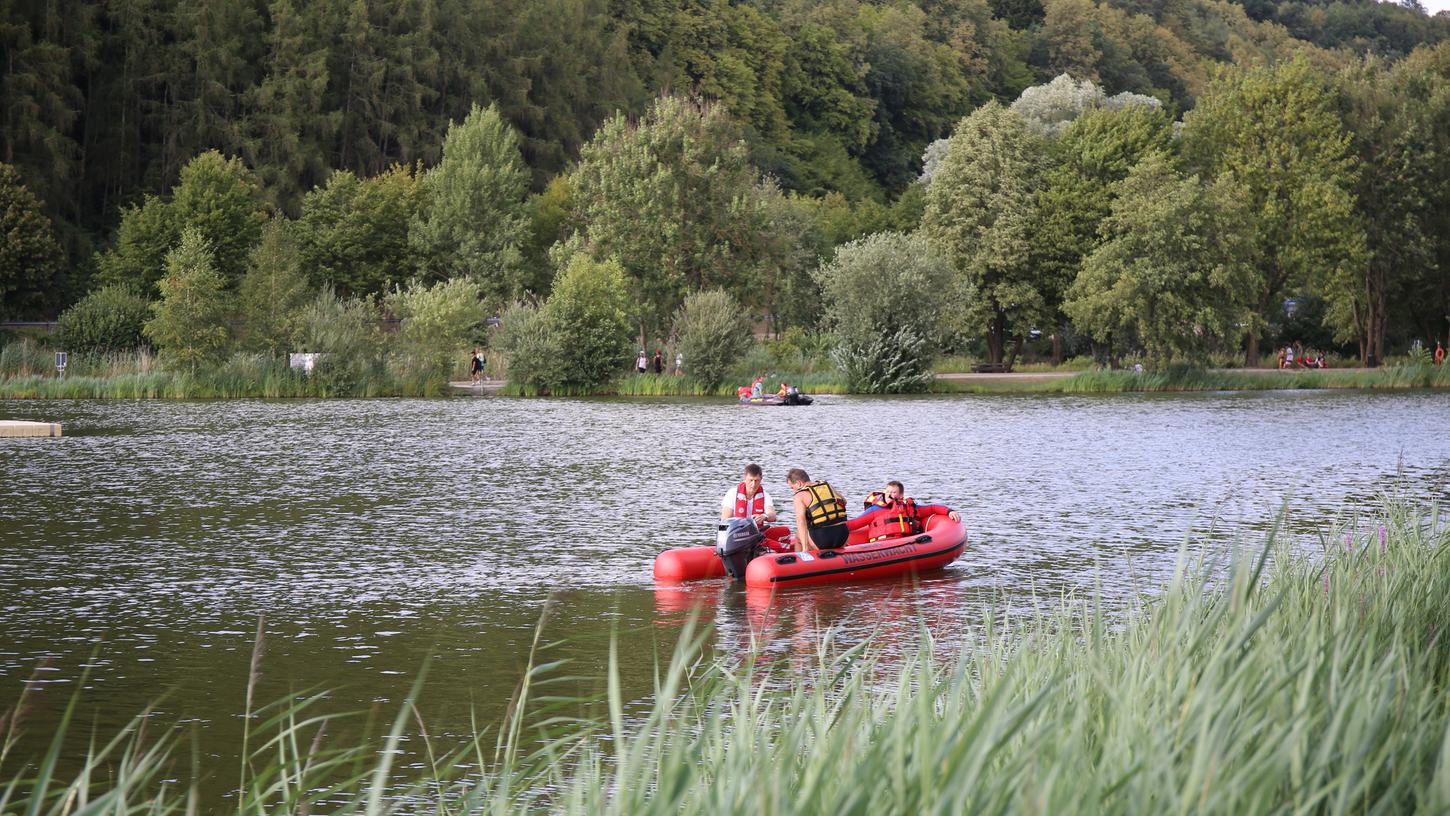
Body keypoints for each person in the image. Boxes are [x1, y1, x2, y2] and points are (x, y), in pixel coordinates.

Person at [849, 480, 962, 543]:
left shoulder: (911, 508)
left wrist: (949, 512)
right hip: (880, 547)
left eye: (893, 492)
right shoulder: (875, 509)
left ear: (901, 495)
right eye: (887, 491)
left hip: (905, 544)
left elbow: (932, 508)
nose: (889, 494)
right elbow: (854, 524)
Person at [786, 468, 849, 552]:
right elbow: (844, 502)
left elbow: (801, 521)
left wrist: (805, 548)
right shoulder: (827, 485)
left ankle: (801, 560)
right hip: (842, 536)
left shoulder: (799, 495)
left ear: (799, 483)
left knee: (798, 536)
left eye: (792, 487)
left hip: (822, 539)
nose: (793, 490)